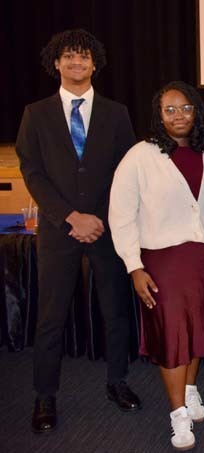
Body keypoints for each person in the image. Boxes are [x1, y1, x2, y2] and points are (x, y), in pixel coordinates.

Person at [16, 29, 140, 434]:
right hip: (58, 230)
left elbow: (125, 171)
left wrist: (100, 218)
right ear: (56, 63)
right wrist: (70, 216)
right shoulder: (36, 114)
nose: (76, 63)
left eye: (84, 57)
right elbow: (32, 172)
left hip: (107, 228)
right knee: (50, 317)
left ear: (94, 64)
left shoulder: (116, 112)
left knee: (116, 311)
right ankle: (44, 395)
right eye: (68, 57)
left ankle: (117, 381)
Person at [109, 81, 204, 450]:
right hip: (162, 262)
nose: (178, 116)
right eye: (169, 110)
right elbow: (120, 215)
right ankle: (178, 414)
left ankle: (191, 390)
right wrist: (134, 266)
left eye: (185, 108)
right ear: (158, 115)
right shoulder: (140, 156)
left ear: (197, 111)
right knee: (172, 338)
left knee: (197, 332)